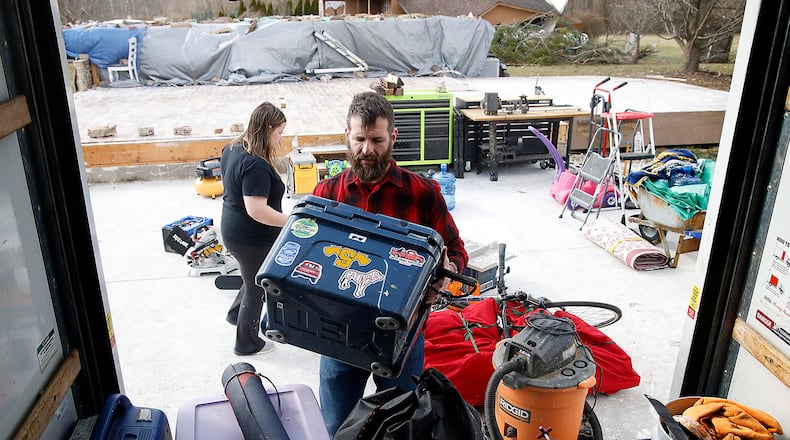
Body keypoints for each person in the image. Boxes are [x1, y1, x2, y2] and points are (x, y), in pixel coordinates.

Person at [312, 91, 468, 435]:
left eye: (377, 140)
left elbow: (455, 247)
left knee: (402, 427)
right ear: (347, 137)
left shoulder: (423, 193)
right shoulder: (326, 194)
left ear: (393, 137)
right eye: (360, 139)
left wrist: (447, 273)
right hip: (340, 336)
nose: (367, 149)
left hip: (404, 337)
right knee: (337, 426)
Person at [220, 102, 289, 355]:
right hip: (251, 237)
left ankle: (235, 314)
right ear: (268, 128)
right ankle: (247, 343)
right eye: (279, 132)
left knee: (250, 277)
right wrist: (291, 222)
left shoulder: (233, 146)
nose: (280, 138)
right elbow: (257, 210)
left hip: (233, 229)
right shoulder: (256, 164)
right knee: (257, 286)